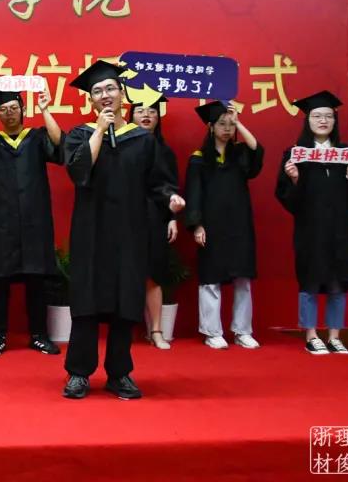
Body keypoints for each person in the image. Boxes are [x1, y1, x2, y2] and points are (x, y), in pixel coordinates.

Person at [61, 62, 183, 400]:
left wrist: (170, 198)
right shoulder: (80, 134)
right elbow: (78, 171)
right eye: (97, 91)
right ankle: (79, 373)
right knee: (86, 303)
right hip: (90, 231)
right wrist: (99, 131)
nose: (105, 95)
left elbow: (157, 182)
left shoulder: (142, 140)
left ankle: (119, 373)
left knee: (124, 302)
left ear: (122, 94)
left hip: (130, 232)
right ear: (90, 100)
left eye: (111, 89)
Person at [0, 85, 63, 356]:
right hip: (2, 222)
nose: (9, 113)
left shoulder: (37, 137)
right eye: (4, 110)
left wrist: (45, 109)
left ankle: (39, 335)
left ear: (23, 110)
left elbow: (59, 146)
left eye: (14, 108)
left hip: (35, 221)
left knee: (37, 281)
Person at [275, 90, 348, 355]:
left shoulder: (347, 154)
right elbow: (287, 198)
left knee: (339, 282)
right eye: (317, 116)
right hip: (311, 229)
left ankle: (335, 336)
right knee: (311, 280)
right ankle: (311, 334)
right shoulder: (295, 155)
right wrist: (295, 179)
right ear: (308, 120)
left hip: (339, 228)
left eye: (328, 116)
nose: (323, 121)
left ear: (334, 121)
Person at [185, 101, 263, 350]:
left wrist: (240, 122)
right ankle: (212, 331)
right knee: (211, 278)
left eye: (231, 125)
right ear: (211, 127)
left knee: (243, 278)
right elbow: (193, 194)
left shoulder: (239, 154)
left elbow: (257, 151)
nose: (227, 129)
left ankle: (242, 331)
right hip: (212, 225)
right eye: (222, 124)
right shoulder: (199, 159)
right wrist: (197, 225)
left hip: (239, 225)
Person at [129, 97, 178, 351]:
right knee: (124, 273)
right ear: (131, 115)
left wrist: (172, 218)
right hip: (124, 215)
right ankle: (123, 329)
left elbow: (169, 187)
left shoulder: (164, 151)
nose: (146, 115)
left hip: (153, 215)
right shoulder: (120, 144)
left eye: (151, 111)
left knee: (153, 274)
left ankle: (156, 330)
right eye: (140, 111)